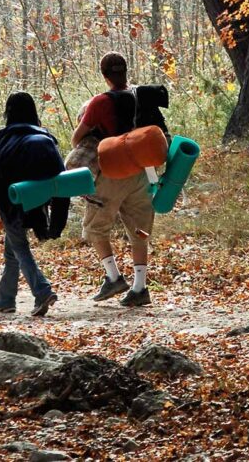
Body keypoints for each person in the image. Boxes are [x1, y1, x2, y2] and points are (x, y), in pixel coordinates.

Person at [71, 52, 169, 307]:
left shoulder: (99, 102)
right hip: (144, 171)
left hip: (113, 171)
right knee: (140, 229)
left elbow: (76, 139)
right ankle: (140, 287)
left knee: (95, 226)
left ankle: (113, 276)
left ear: (104, 76)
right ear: (126, 70)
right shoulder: (144, 95)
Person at [0, 92, 69, 316]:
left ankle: (42, 290)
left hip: (11, 198)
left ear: (9, 112)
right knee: (12, 248)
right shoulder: (45, 136)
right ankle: (5, 299)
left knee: (19, 246)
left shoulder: (4, 135)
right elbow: (60, 177)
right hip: (38, 198)